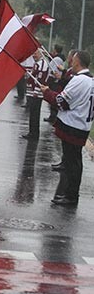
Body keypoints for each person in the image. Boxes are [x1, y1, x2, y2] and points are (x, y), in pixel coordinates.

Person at [41, 51, 93, 205]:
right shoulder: (90, 80)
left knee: (72, 164)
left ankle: (71, 196)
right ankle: (71, 195)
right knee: (74, 162)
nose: (71, 63)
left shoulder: (80, 81)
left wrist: (47, 93)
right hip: (82, 126)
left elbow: (61, 102)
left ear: (77, 62)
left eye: (73, 60)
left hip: (73, 126)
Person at [50, 49, 78, 171]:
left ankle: (67, 165)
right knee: (64, 140)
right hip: (63, 104)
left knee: (70, 144)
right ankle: (64, 162)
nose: (68, 58)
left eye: (70, 56)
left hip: (68, 107)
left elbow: (69, 83)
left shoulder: (76, 74)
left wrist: (61, 77)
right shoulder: (70, 70)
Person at [22, 49, 50, 140]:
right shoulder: (37, 63)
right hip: (33, 92)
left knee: (35, 114)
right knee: (33, 113)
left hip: (37, 94)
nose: (34, 55)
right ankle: (32, 132)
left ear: (41, 54)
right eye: (33, 53)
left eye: (35, 53)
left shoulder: (42, 64)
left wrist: (36, 91)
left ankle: (34, 134)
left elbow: (41, 79)